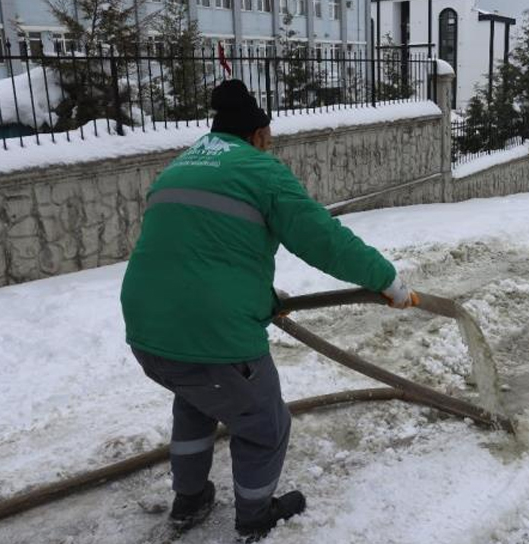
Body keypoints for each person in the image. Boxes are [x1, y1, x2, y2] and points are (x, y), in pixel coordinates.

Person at [120, 79, 417, 542]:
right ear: (258, 135)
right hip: (212, 334)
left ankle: (190, 500)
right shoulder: (261, 171)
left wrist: (259, 296)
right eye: (269, 139)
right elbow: (324, 240)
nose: (270, 147)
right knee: (264, 422)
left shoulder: (178, 168)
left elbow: (201, 250)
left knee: (198, 399)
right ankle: (255, 515)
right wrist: (387, 281)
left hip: (146, 330)